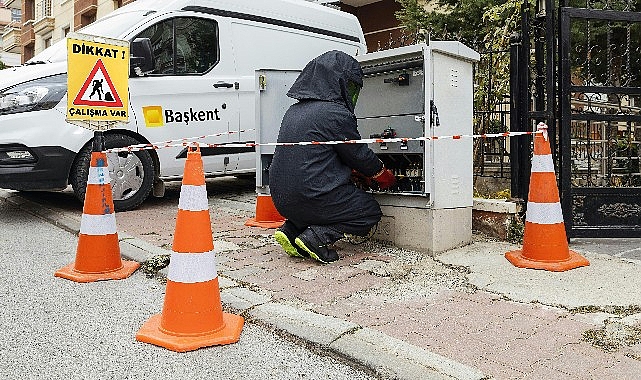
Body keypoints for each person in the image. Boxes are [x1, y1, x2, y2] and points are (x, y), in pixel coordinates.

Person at [269, 50, 396, 264]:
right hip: (312, 196)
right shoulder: (335, 113)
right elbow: (359, 155)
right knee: (369, 210)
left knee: (314, 203)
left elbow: (315, 157)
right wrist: (383, 174)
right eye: (351, 86)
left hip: (282, 200)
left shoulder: (292, 112)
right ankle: (317, 238)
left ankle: (291, 231)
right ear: (340, 83)